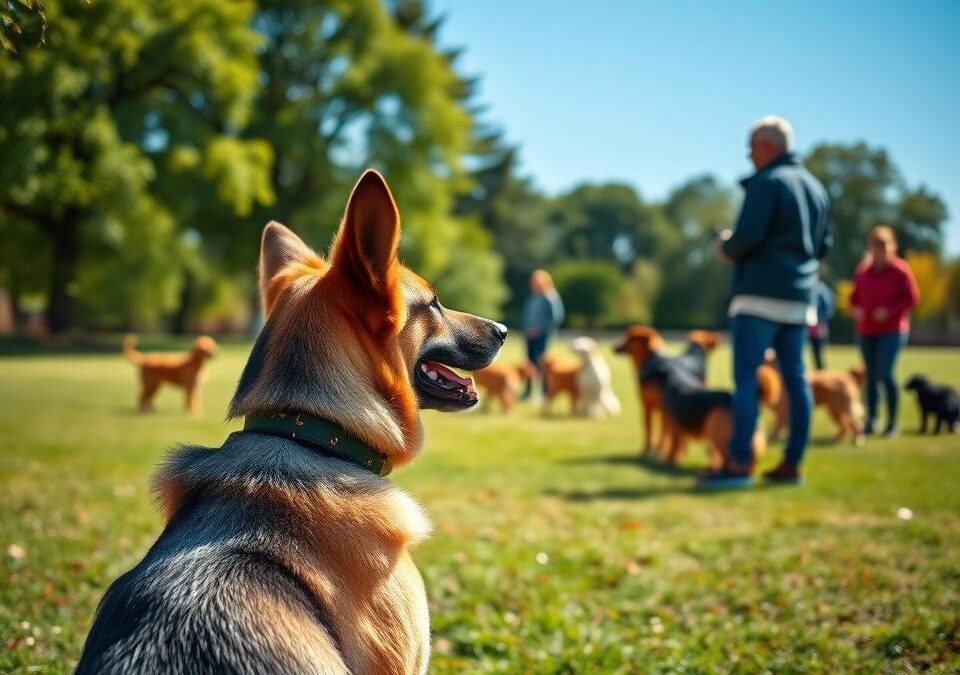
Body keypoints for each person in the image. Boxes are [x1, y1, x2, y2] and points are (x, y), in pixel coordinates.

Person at [702, 116, 831, 488]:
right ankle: (793, 463)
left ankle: (739, 463)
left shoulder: (767, 182)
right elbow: (823, 247)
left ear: (767, 146)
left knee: (746, 379)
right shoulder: (817, 188)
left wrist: (726, 245)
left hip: (758, 295)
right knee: (796, 379)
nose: (749, 156)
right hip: (799, 298)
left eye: (751, 148)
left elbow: (747, 238)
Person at [849, 226, 920, 437]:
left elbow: (912, 298)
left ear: (892, 247)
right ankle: (872, 419)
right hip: (866, 330)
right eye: (875, 246)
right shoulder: (862, 271)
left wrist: (889, 311)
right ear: (870, 247)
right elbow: (853, 298)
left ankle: (892, 423)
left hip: (892, 330)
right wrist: (857, 309)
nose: (879, 250)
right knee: (870, 375)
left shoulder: (900, 270)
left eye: (883, 246)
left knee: (885, 373)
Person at [521, 269, 564, 400]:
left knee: (543, 364)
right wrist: (527, 329)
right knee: (529, 363)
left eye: (536, 281)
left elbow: (556, 317)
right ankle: (528, 391)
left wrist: (538, 330)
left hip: (542, 336)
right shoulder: (533, 297)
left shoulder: (550, 297)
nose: (534, 284)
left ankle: (546, 392)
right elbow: (527, 316)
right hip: (529, 336)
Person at [809, 276, 835, 370]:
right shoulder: (811, 289)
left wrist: (821, 321)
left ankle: (821, 371)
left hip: (819, 325)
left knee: (818, 351)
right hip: (808, 325)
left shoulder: (823, 290)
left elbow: (828, 309)